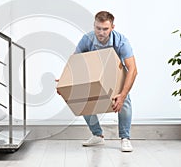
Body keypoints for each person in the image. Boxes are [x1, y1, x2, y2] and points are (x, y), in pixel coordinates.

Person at [59, 11, 137, 152]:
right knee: (81, 99)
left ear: (112, 27)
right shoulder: (87, 39)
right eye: (98, 28)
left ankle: (125, 138)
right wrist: (65, 82)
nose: (101, 32)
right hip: (94, 76)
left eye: (105, 29)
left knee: (124, 101)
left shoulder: (121, 41)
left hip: (116, 78)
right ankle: (97, 135)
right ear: (94, 26)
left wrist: (123, 94)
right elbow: (74, 61)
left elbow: (132, 69)